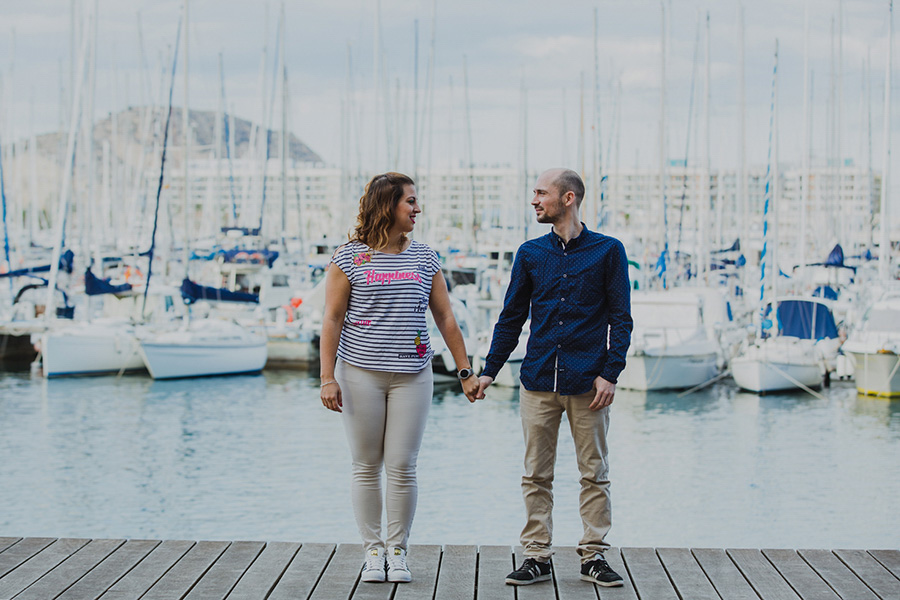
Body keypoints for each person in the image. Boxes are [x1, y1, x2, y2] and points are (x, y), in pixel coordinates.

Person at [475, 168, 633, 587]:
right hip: (539, 379)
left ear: (568, 198)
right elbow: (511, 318)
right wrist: (489, 370)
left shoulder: (608, 251)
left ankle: (594, 556)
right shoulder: (530, 253)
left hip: (588, 383)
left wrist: (609, 373)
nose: (534, 200)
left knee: (594, 473)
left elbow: (621, 319)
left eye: (541, 193)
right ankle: (537, 556)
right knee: (535, 474)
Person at [320, 172, 480, 584]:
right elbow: (332, 319)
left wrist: (465, 372)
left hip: (413, 375)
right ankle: (372, 551)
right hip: (359, 375)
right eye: (410, 201)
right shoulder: (348, 257)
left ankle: (398, 551)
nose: (417, 208)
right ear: (387, 205)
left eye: (416, 200)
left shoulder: (425, 257)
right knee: (366, 465)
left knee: (403, 466)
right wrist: (327, 377)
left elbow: (445, 317)